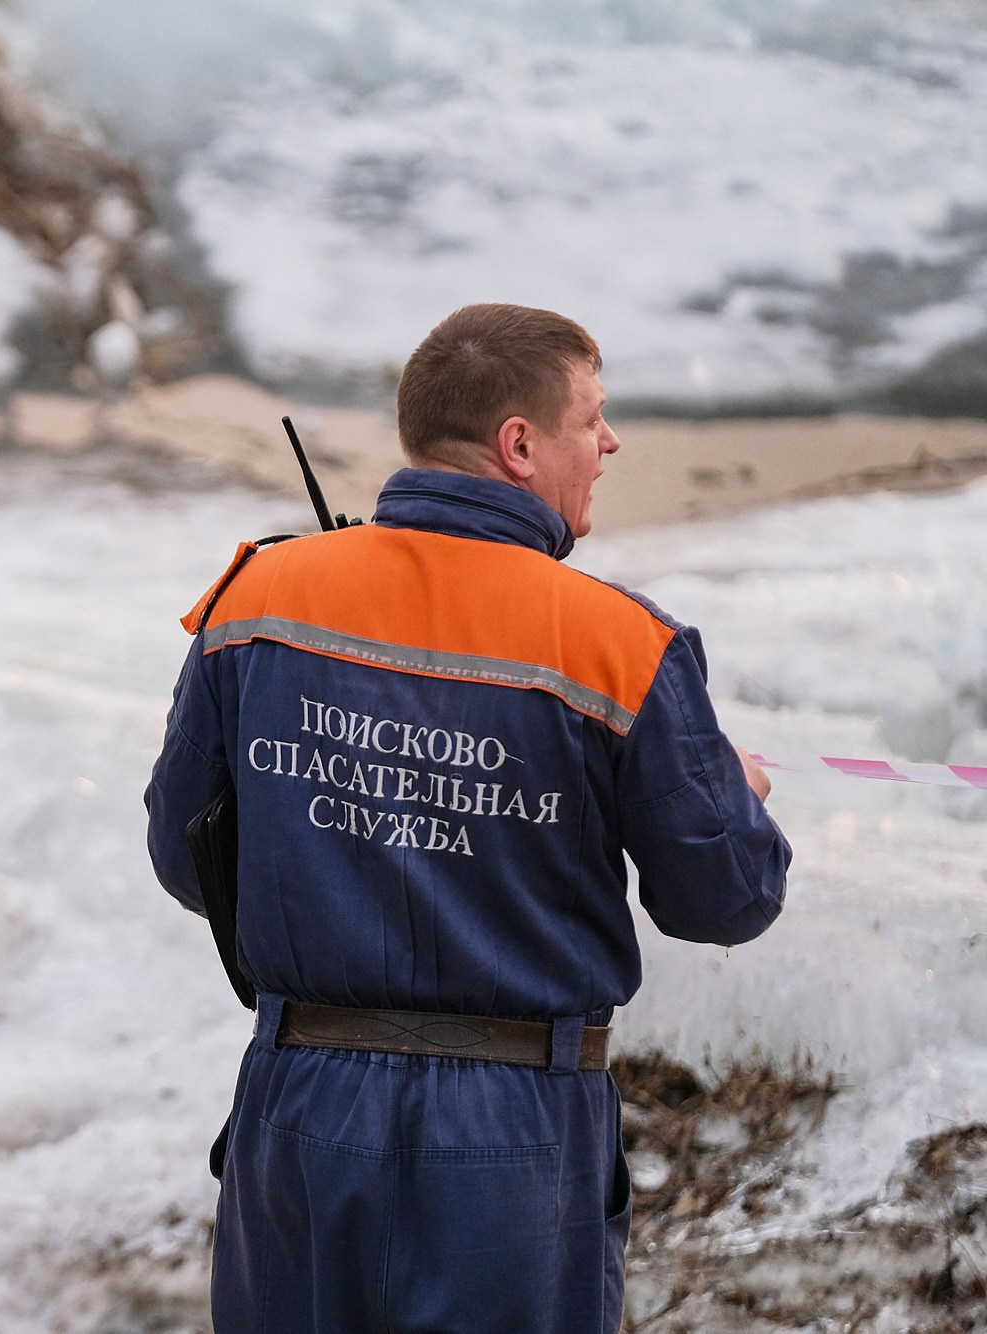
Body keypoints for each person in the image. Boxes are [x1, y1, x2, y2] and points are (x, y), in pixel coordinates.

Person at [145, 303, 790, 1333]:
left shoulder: (258, 597)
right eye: (591, 417)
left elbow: (185, 858)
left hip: (300, 1110)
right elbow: (726, 899)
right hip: (511, 1132)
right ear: (519, 444)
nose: (610, 442)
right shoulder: (617, 644)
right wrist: (726, 795)